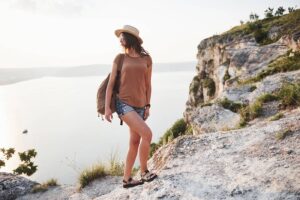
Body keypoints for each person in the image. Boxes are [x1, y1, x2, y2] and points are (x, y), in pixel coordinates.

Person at [104, 25, 157, 188]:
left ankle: (126, 180)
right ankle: (144, 172)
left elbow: (148, 84)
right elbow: (111, 84)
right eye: (119, 36)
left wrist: (148, 105)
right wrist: (107, 107)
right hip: (124, 104)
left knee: (135, 142)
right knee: (147, 134)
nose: (120, 39)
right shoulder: (119, 58)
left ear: (131, 38)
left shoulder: (146, 59)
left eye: (123, 36)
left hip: (141, 106)